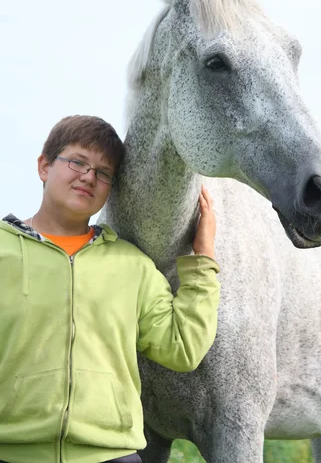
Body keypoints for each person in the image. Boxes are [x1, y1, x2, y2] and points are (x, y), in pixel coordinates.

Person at [0, 115, 220, 463]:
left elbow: (183, 347)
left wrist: (203, 258)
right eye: (77, 162)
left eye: (104, 173)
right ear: (44, 166)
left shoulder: (132, 266)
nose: (89, 176)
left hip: (112, 455)